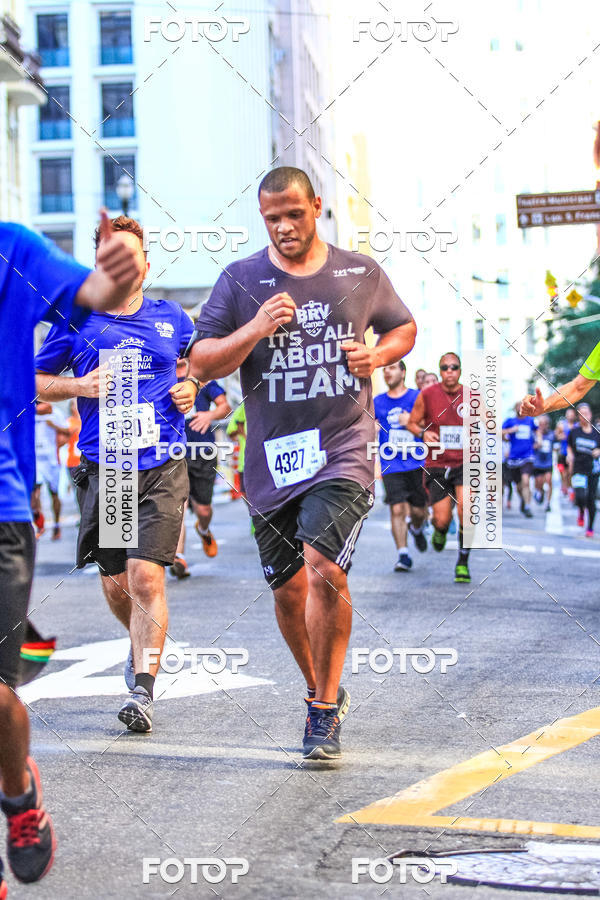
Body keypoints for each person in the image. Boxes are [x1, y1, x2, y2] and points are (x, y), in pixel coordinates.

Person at [189, 165, 416, 761]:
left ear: (317, 206)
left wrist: (376, 352)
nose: (285, 227)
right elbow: (203, 362)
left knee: (323, 567)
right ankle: (321, 690)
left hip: (343, 447)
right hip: (270, 460)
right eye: (272, 218)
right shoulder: (240, 280)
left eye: (294, 213)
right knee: (289, 591)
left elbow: (403, 328)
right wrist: (256, 328)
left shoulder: (358, 272)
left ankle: (321, 710)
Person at [0, 214, 143, 894]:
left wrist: (112, 276)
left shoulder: (13, 247)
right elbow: (50, 373)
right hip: (99, 466)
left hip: (8, 507)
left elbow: (89, 291)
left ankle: (18, 791)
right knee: (123, 571)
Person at [35, 216, 197, 734]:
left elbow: (197, 366)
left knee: (147, 575)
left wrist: (192, 387)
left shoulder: (173, 318)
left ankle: (143, 687)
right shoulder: (75, 319)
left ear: (146, 265)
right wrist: (81, 386)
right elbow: (33, 381)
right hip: (110, 469)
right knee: (115, 582)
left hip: (163, 462)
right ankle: (139, 644)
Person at [407, 352, 469, 583]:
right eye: (445, 367)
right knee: (442, 519)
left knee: (466, 509)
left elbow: (487, 423)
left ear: (460, 370)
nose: (450, 371)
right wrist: (423, 433)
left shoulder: (471, 396)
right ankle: (440, 531)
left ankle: (463, 562)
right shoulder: (428, 394)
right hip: (437, 464)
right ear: (440, 371)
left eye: (454, 367)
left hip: (464, 462)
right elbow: (412, 422)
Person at [373, 360, 427, 572]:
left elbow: (429, 425)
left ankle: (417, 527)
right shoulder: (377, 402)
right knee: (396, 508)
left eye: (392, 368)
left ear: (403, 372)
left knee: (418, 511)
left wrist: (411, 423)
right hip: (391, 463)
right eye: (385, 369)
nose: (387, 372)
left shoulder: (417, 398)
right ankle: (403, 555)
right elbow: (368, 425)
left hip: (416, 461)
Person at [31, 401, 68, 540]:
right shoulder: (28, 412)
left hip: (52, 460)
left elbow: (67, 431)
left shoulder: (56, 413)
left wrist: (54, 426)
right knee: (35, 493)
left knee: (54, 494)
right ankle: (39, 524)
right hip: (36, 460)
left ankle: (57, 524)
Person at [566, 403, 600, 537]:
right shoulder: (574, 432)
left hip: (593, 470)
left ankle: (590, 527)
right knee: (580, 496)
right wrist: (569, 454)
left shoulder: (596, 432)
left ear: (590, 415)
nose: (584, 416)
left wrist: (598, 451)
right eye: (581, 413)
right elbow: (569, 446)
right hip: (578, 468)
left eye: (586, 413)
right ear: (578, 416)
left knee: (591, 499)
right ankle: (580, 510)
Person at [502, 405, 536, 518]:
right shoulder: (510, 421)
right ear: (515, 409)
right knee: (518, 486)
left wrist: (539, 440)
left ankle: (527, 506)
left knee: (526, 481)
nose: (520, 409)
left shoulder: (530, 421)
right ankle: (523, 500)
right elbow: (499, 432)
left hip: (527, 456)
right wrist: (511, 431)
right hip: (514, 458)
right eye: (517, 407)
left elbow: (538, 431)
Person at [532, 414, 553, 510]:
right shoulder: (534, 434)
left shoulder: (551, 434)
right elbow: (530, 446)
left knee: (549, 481)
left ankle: (548, 503)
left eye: (545, 424)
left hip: (548, 463)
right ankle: (539, 492)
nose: (543, 426)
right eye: (541, 424)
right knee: (539, 482)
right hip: (537, 463)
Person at [227, 401, 247, 497]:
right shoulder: (243, 407)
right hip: (245, 462)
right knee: (246, 493)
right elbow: (231, 433)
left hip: (263, 459)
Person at [555, 408, 576, 495]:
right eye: (568, 414)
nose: (570, 416)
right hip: (562, 453)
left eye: (571, 414)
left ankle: (569, 487)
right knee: (563, 473)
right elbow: (556, 436)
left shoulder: (577, 426)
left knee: (570, 472)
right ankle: (564, 486)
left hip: (572, 453)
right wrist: (561, 436)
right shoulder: (561, 425)